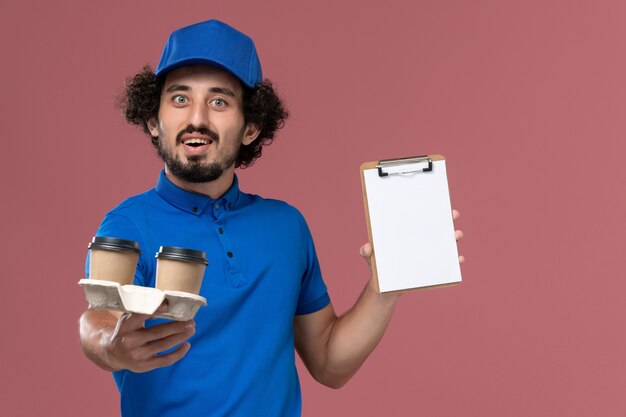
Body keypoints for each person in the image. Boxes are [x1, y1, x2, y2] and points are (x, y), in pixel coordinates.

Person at [79, 19, 464, 417]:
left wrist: (386, 284)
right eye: (179, 99)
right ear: (153, 121)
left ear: (251, 127)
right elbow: (98, 320)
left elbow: (330, 363)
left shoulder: (286, 226)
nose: (197, 118)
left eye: (219, 101)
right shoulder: (126, 226)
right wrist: (110, 344)